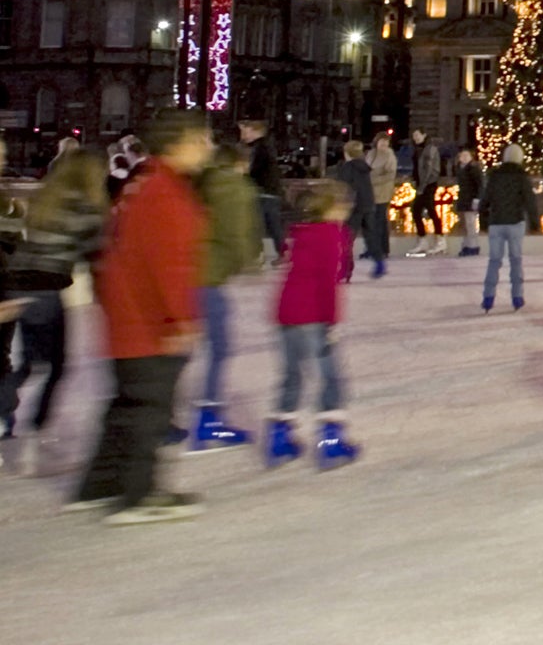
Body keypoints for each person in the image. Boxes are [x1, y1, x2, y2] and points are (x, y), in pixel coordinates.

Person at [71, 111, 212, 525]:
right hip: (148, 323)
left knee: (126, 405)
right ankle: (139, 492)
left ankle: (100, 484)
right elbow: (168, 265)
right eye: (202, 139)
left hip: (127, 317)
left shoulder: (143, 183)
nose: (207, 147)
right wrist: (179, 321)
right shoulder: (166, 192)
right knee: (149, 409)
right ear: (181, 142)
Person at [2, 147, 108, 474]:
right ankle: (34, 434)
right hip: (45, 289)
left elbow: (16, 232)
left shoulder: (46, 199)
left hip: (16, 284)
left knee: (30, 361)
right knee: (55, 366)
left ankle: (8, 412)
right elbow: (97, 257)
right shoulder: (86, 207)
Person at [269, 181, 358, 469]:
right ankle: (330, 444)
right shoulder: (331, 234)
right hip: (313, 316)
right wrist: (331, 322)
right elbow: (328, 284)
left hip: (286, 315)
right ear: (333, 207)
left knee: (292, 376)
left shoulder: (299, 233)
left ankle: (279, 440)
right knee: (330, 378)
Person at [189, 139, 262, 451]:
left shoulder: (197, 181)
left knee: (176, 350)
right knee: (219, 347)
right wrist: (248, 261)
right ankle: (208, 420)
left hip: (179, 273)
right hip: (208, 275)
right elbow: (236, 231)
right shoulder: (236, 188)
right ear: (240, 162)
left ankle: (160, 417)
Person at [479, 144, 540, 312]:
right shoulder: (522, 176)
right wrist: (534, 223)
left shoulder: (494, 176)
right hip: (515, 223)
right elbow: (530, 201)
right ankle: (517, 296)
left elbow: (485, 200)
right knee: (515, 260)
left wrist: (484, 222)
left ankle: (488, 297)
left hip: (496, 223)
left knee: (494, 261)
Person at [239, 121, 288, 264]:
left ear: (255, 131)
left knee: (257, 225)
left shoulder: (261, 148)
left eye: (246, 131)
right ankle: (280, 251)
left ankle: (257, 255)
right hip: (269, 192)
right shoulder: (263, 147)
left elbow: (256, 170)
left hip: (264, 192)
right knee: (271, 225)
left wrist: (244, 175)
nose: (243, 135)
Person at [404, 131, 447, 257]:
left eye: (417, 135)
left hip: (429, 184)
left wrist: (422, 186)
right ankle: (423, 240)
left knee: (430, 210)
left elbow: (428, 169)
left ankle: (440, 240)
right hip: (422, 184)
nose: (415, 137)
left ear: (424, 135)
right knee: (417, 211)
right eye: (414, 135)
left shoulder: (430, 149)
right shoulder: (418, 149)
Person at [336, 140, 374, 282]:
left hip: (351, 207)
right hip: (364, 206)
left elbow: (344, 188)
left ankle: (345, 269)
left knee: (345, 240)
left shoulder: (348, 168)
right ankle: (346, 269)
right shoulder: (364, 167)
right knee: (348, 239)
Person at [363, 133, 397, 277]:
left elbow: (390, 174)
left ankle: (383, 249)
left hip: (382, 192)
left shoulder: (389, 155)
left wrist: (374, 179)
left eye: (386, 142)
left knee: (380, 220)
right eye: (381, 142)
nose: (383, 145)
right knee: (371, 221)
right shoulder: (371, 154)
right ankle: (373, 248)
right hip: (371, 192)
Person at [451, 146, 484, 256]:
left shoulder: (474, 169)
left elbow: (480, 185)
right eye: (462, 156)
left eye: (466, 156)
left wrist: (477, 199)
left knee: (471, 224)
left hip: (471, 199)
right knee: (465, 225)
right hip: (463, 199)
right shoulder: (459, 169)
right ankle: (466, 245)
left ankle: (473, 246)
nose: (464, 158)